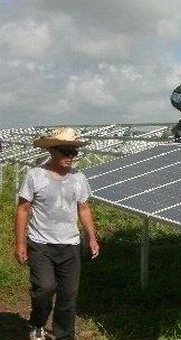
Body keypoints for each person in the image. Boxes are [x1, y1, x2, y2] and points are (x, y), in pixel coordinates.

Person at [14, 127, 100, 340]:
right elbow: (23, 209)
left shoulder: (78, 178)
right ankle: (38, 323)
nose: (70, 157)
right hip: (41, 244)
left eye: (74, 152)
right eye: (65, 151)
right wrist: (20, 244)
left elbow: (84, 208)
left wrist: (92, 238)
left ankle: (65, 335)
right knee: (44, 288)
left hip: (70, 245)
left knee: (68, 295)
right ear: (52, 151)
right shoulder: (36, 176)